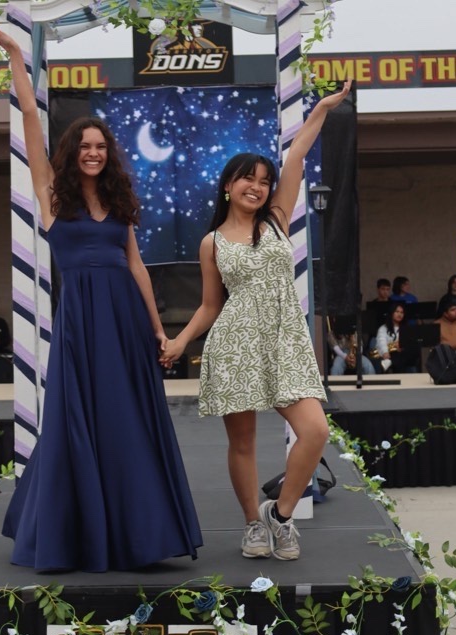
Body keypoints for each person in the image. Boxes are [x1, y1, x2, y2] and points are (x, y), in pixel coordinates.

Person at [0, 23, 201, 572]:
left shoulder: (120, 204)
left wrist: (158, 329)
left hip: (124, 320)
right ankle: (77, 532)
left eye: (102, 147)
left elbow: (137, 268)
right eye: (86, 146)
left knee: (128, 420)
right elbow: (31, 118)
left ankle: (137, 534)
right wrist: (14, 55)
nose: (93, 153)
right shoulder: (53, 194)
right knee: (77, 420)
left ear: (109, 154)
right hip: (79, 322)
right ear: (72, 151)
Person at [159, 80, 351, 561]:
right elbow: (209, 305)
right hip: (235, 345)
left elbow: (298, 155)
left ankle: (280, 517)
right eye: (248, 178)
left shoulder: (277, 220)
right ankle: (252, 524)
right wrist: (181, 342)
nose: (258, 186)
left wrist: (322, 109)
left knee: (315, 431)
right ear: (228, 185)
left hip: (285, 341)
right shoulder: (212, 243)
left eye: (263, 181)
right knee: (241, 443)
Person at [375, 303, 418, 373]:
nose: (399, 314)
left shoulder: (407, 328)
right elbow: (381, 341)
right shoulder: (383, 328)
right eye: (397, 312)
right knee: (398, 357)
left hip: (404, 353)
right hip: (390, 354)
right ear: (392, 313)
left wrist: (402, 345)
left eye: (402, 312)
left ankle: (391, 362)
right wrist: (386, 351)